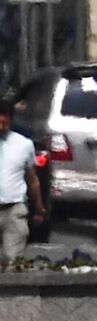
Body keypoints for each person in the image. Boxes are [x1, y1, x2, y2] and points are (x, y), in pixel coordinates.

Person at [0, 105, 45, 260]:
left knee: (12, 261)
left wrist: (39, 208)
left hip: (14, 209)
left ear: (11, 119)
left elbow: (32, 179)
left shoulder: (24, 144)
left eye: (5, 115)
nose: (2, 120)